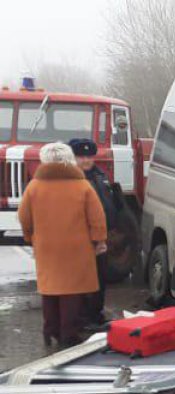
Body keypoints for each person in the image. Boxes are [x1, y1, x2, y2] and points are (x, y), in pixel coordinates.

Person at [17, 142, 107, 348]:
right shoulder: (82, 185)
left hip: (46, 247)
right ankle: (69, 334)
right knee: (72, 291)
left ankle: (50, 330)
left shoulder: (34, 186)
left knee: (50, 288)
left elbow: (24, 216)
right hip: (78, 247)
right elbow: (97, 217)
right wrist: (99, 240)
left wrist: (30, 237)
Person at [68, 138, 116, 327]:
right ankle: (82, 317)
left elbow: (107, 203)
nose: (86, 160)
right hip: (81, 237)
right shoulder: (72, 179)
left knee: (100, 278)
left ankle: (96, 313)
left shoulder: (98, 175)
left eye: (89, 156)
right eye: (81, 156)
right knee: (82, 280)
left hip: (101, 236)